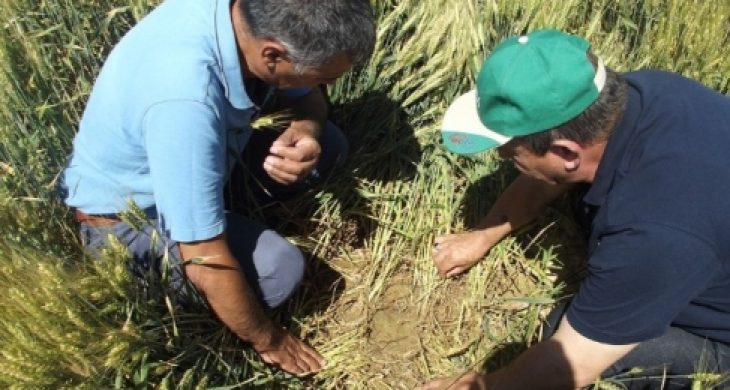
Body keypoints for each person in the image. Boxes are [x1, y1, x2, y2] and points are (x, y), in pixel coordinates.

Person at [58, 0, 375, 375]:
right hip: (127, 222)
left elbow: (308, 100)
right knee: (278, 268)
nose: (322, 87)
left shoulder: (244, 19)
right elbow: (205, 259)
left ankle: (216, 210)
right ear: (272, 54)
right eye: (320, 77)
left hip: (202, 154)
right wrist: (269, 340)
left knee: (329, 147)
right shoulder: (185, 100)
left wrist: (306, 130)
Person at [419, 29, 730, 389]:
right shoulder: (644, 93)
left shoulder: (654, 231)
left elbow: (571, 366)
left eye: (510, 156)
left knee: (571, 344)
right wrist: (486, 231)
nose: (504, 161)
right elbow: (555, 168)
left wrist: (484, 386)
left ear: (566, 152)